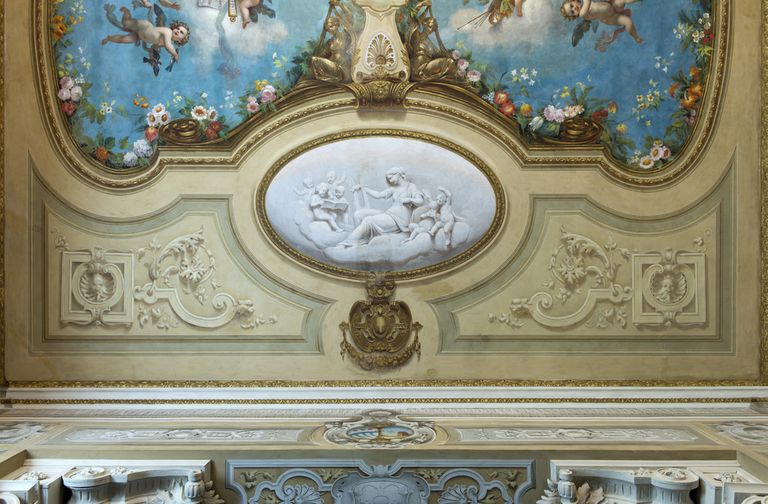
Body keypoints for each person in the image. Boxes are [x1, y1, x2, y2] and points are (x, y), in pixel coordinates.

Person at [340, 168, 425, 247]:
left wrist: (409, 199)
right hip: (389, 214)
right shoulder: (393, 188)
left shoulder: (411, 186)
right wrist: (362, 188)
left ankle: (348, 242)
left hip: (400, 219)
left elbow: (420, 201)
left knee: (368, 220)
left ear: (398, 175)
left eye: (391, 178)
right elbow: (378, 195)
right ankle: (362, 239)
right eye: (388, 179)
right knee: (358, 214)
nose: (390, 180)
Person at [102, 4, 190, 63]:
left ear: (180, 40)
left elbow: (154, 47)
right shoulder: (168, 32)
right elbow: (168, 46)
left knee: (123, 40)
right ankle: (126, 11)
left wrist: (152, 58)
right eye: (178, 28)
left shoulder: (165, 42)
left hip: (139, 36)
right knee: (125, 23)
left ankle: (109, 38)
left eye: (181, 32)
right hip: (143, 26)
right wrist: (175, 54)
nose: (178, 31)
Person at [560, 0, 643, 44]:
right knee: (628, 22)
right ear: (575, 15)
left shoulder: (584, 3)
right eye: (572, 12)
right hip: (610, 17)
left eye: (571, 6)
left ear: (574, 0)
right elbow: (587, 1)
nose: (574, 8)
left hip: (612, 6)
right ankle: (636, 37)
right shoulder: (582, 13)